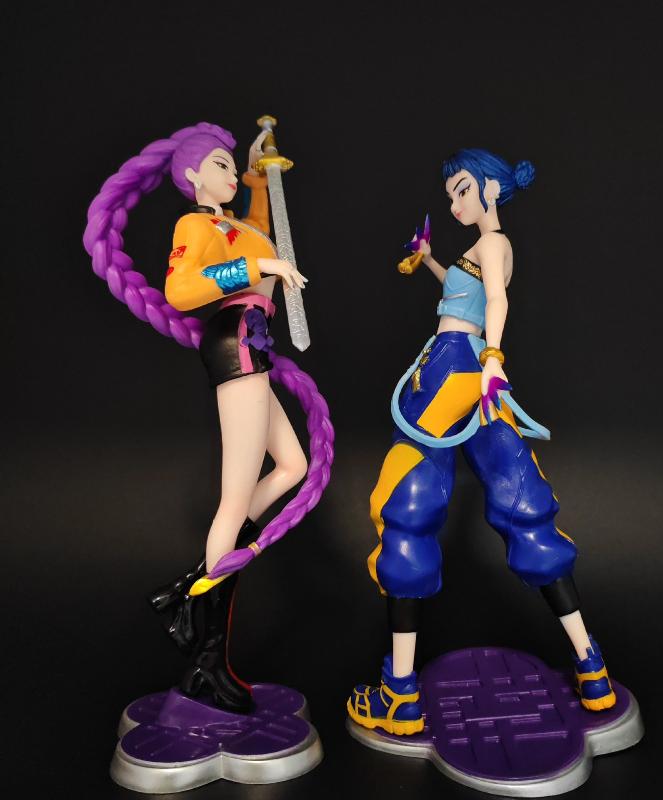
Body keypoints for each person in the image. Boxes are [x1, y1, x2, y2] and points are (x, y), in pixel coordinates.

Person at [347, 148, 615, 736]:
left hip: (455, 368)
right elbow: (466, 291)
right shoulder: (479, 249)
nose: (455, 203)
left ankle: (400, 694)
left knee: (407, 505)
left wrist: (493, 357)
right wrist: (430, 261)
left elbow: (496, 299)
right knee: (524, 503)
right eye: (450, 195)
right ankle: (591, 668)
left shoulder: (493, 243)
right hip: (473, 370)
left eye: (464, 190)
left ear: (492, 188)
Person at [84, 122, 333, 712]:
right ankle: (207, 658)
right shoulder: (195, 225)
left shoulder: (235, 226)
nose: (228, 173)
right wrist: (259, 270)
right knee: (234, 500)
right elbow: (181, 289)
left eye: (229, 165)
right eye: (219, 164)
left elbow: (260, 233)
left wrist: (258, 175)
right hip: (236, 339)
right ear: (193, 174)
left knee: (293, 465)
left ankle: (193, 584)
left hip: (255, 340)